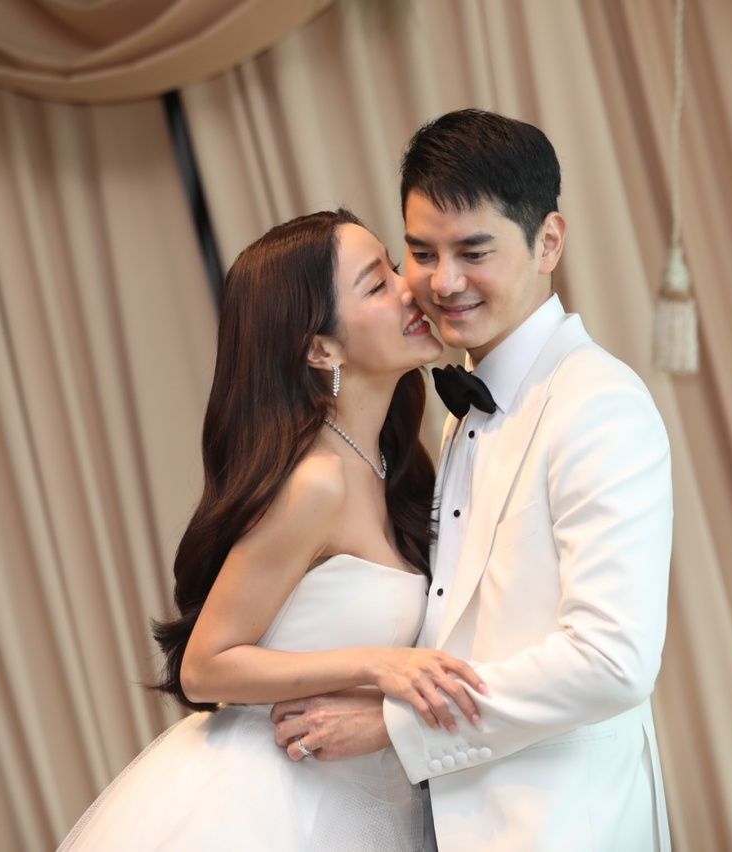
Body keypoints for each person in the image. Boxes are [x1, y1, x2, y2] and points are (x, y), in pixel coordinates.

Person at [271, 109, 674, 851]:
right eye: (422, 253)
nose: (444, 282)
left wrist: (397, 726)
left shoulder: (598, 403)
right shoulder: (460, 412)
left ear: (548, 242)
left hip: (562, 826)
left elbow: (613, 660)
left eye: (473, 252)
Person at [57, 209, 487, 851]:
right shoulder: (315, 483)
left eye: (395, 268)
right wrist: (380, 665)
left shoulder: (391, 463)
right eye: (377, 284)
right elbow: (205, 666)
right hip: (267, 801)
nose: (410, 289)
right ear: (321, 349)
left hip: (360, 791)